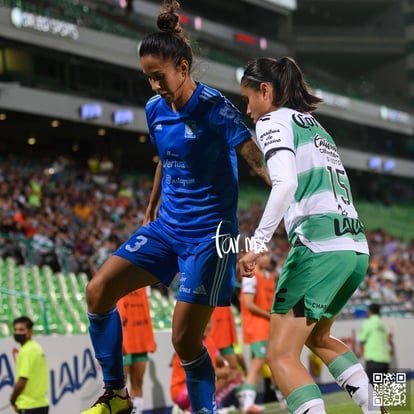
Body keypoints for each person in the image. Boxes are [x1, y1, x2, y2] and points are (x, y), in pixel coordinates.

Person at [81, 1, 270, 413]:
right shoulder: (154, 110)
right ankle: (116, 396)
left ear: (183, 69)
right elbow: (165, 161)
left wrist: (286, 195)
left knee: (184, 338)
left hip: (210, 237)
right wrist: (151, 205)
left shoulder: (215, 107)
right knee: (97, 291)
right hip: (167, 227)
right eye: (148, 78)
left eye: (159, 76)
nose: (154, 86)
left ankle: (206, 410)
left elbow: (253, 156)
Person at [238, 56, 388, 414]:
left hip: (318, 247)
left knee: (280, 355)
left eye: (248, 99)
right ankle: (376, 409)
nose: (247, 110)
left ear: (266, 90)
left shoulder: (272, 120)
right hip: (354, 248)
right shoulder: (314, 126)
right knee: (319, 337)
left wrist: (258, 244)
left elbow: (286, 183)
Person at [238, 251, 286, 413]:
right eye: (263, 254)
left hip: (268, 326)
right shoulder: (251, 277)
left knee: (273, 362)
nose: (267, 258)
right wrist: (269, 315)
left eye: (268, 255)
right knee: (258, 364)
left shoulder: (269, 277)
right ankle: (247, 404)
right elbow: (249, 304)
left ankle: (282, 399)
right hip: (258, 326)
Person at [170, 318, 232, 413]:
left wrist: (226, 366)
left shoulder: (209, 341)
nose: (207, 326)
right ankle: (188, 410)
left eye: (209, 322)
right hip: (181, 389)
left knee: (234, 375)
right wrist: (219, 372)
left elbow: (219, 358)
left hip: (197, 384)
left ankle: (208, 408)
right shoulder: (190, 343)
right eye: (203, 322)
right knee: (206, 381)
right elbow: (200, 371)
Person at [118, 287, 156, 414]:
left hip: (140, 334)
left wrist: (149, 334)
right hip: (123, 336)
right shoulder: (118, 272)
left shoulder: (145, 278)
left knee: (138, 382)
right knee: (119, 386)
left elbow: (146, 307)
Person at [9, 316, 49, 414]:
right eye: (15, 330)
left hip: (28, 406)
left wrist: (12, 399)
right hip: (41, 404)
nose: (18, 333)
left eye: (21, 329)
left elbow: (22, 381)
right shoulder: (36, 347)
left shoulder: (26, 351)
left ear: (30, 331)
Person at [358, 303, 393, 383]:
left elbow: (361, 339)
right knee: (381, 389)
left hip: (373, 360)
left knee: (371, 390)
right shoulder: (382, 324)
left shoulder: (368, 323)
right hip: (385, 360)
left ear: (369, 312)